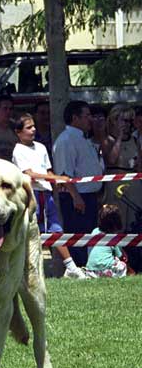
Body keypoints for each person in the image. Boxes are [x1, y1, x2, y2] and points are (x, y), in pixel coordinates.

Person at [11, 114, 86, 279]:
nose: (33, 130)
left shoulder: (41, 147)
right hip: (31, 194)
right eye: (28, 127)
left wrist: (58, 181)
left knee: (55, 229)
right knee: (30, 231)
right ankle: (25, 269)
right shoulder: (18, 150)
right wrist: (55, 178)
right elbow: (30, 174)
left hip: (46, 193)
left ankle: (71, 267)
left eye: (33, 126)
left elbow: (48, 171)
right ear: (18, 132)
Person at [52, 100, 103, 266]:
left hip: (89, 195)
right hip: (76, 197)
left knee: (89, 234)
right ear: (75, 118)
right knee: (78, 236)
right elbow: (64, 174)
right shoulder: (66, 140)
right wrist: (76, 197)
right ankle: (79, 267)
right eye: (87, 116)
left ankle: (88, 266)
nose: (91, 119)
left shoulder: (83, 139)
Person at [101, 104, 142, 231]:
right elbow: (111, 160)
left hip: (134, 184)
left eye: (130, 121)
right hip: (115, 184)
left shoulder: (134, 140)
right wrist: (119, 137)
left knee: (134, 222)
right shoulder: (107, 140)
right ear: (114, 120)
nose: (128, 124)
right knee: (116, 222)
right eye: (124, 120)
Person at [84, 204, 128, 278]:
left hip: (90, 270)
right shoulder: (113, 237)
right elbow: (120, 256)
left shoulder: (94, 231)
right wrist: (124, 255)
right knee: (122, 265)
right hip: (106, 270)